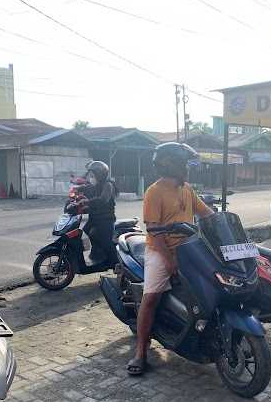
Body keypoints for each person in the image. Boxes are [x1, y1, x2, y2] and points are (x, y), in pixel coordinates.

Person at [126, 142, 212, 376]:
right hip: (159, 250)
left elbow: (207, 213)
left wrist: (225, 224)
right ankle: (141, 351)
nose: (188, 169)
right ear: (172, 165)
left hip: (188, 249)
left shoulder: (187, 189)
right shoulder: (154, 191)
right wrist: (170, 260)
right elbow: (154, 229)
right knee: (152, 296)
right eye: (185, 164)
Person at [71, 161, 118, 264]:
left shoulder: (108, 185)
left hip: (105, 220)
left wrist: (86, 202)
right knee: (83, 233)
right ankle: (97, 253)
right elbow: (87, 189)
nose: (91, 177)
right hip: (95, 218)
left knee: (107, 243)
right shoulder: (97, 185)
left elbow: (102, 200)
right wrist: (79, 200)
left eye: (93, 175)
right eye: (91, 175)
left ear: (100, 174)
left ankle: (116, 263)